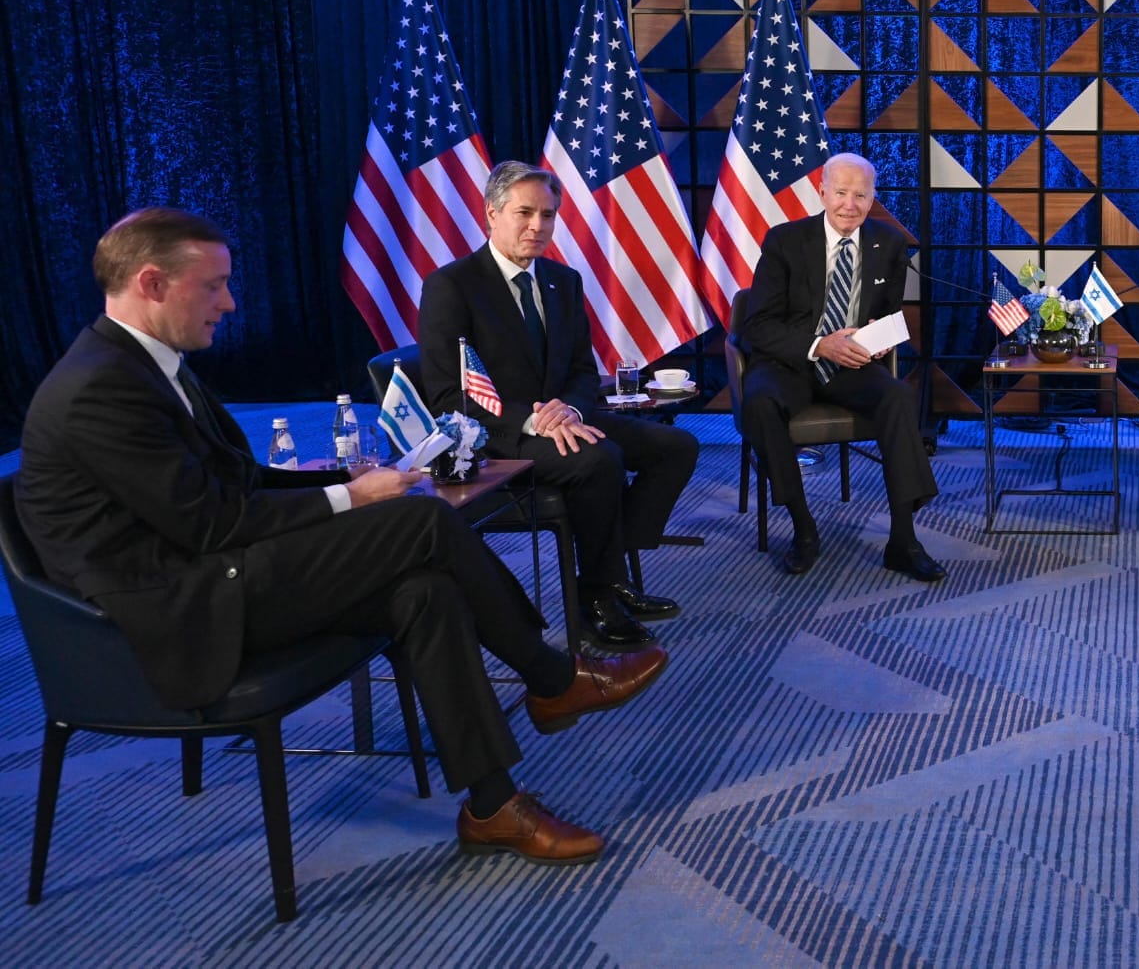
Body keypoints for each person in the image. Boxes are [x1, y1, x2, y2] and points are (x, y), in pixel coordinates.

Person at [14, 208, 669, 864]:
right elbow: (208, 522)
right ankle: (552, 677)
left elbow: (238, 481)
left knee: (425, 590)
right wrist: (348, 499)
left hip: (214, 571)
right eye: (213, 286)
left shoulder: (149, 364)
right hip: (174, 612)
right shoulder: (100, 388)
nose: (230, 302)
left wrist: (347, 478)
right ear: (152, 283)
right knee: (421, 522)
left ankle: (493, 805)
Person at [418, 161, 701, 649]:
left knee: (676, 447)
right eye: (524, 213)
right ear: (492, 214)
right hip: (497, 434)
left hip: (565, 419)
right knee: (599, 460)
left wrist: (569, 410)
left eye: (547, 215)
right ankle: (596, 597)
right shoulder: (452, 285)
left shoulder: (562, 280)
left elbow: (582, 372)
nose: (538, 226)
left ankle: (611, 573)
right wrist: (534, 420)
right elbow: (449, 396)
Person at [738, 152, 943, 581]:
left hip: (850, 365)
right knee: (760, 402)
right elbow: (757, 326)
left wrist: (875, 339)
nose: (850, 205)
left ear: (873, 198)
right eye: (841, 193)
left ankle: (903, 540)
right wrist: (819, 345)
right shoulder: (785, 241)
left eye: (861, 195)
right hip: (790, 362)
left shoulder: (889, 243)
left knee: (898, 396)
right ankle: (803, 527)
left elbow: (887, 315)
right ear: (822, 192)